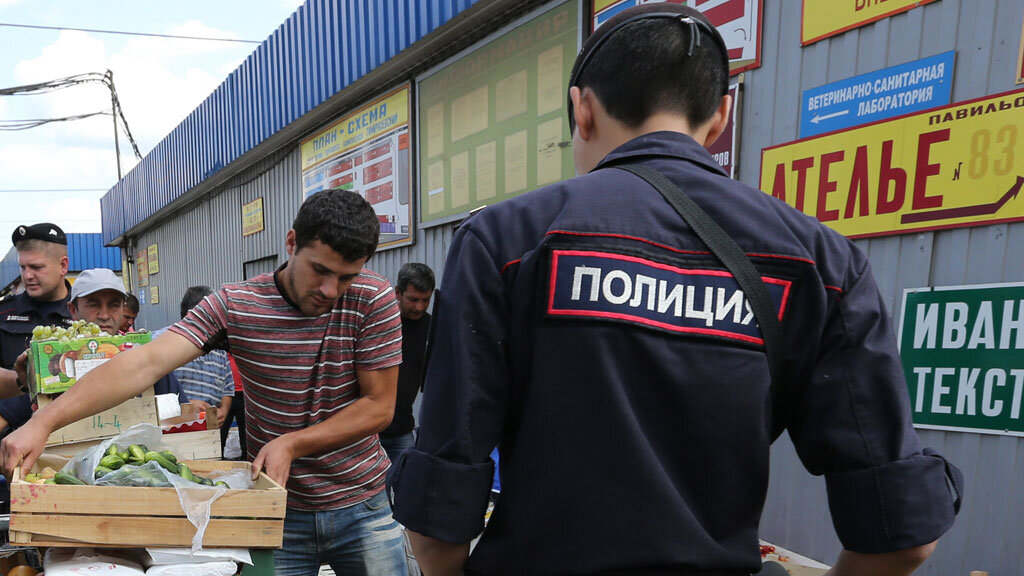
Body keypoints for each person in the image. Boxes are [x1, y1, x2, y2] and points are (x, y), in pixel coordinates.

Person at [390, 6, 962, 576]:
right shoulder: (822, 262)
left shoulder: (505, 241)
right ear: (720, 118)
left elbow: (438, 515)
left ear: (582, 110)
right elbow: (903, 536)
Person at [1, 190, 408, 576]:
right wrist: (43, 422)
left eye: (346, 277)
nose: (330, 291)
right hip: (274, 510)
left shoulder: (372, 298)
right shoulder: (236, 304)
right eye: (320, 270)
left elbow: (378, 406)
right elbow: (142, 365)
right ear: (291, 242)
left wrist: (293, 443)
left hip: (363, 507)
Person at [0, 268, 188, 435]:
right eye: (93, 304)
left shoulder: (144, 356)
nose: (104, 315)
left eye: (114, 304)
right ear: (73, 310)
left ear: (123, 309)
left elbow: (182, 414)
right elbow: (7, 415)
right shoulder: (55, 362)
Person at [0, 223, 73, 403]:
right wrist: (22, 381)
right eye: (23, 267)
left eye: (37, 267)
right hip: (15, 428)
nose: (27, 276)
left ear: (63, 265)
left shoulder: (85, 314)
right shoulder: (3, 313)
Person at [379, 262, 434, 464]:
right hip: (367, 434)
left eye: (425, 300)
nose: (419, 306)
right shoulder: (379, 323)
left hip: (402, 431)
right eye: (413, 299)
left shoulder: (431, 328)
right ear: (398, 293)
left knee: (407, 486)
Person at [163, 286, 234, 428]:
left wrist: (224, 411)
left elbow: (228, 388)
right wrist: (183, 406)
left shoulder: (218, 349)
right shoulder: (165, 344)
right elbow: (149, 398)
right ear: (192, 315)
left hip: (209, 430)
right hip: (173, 429)